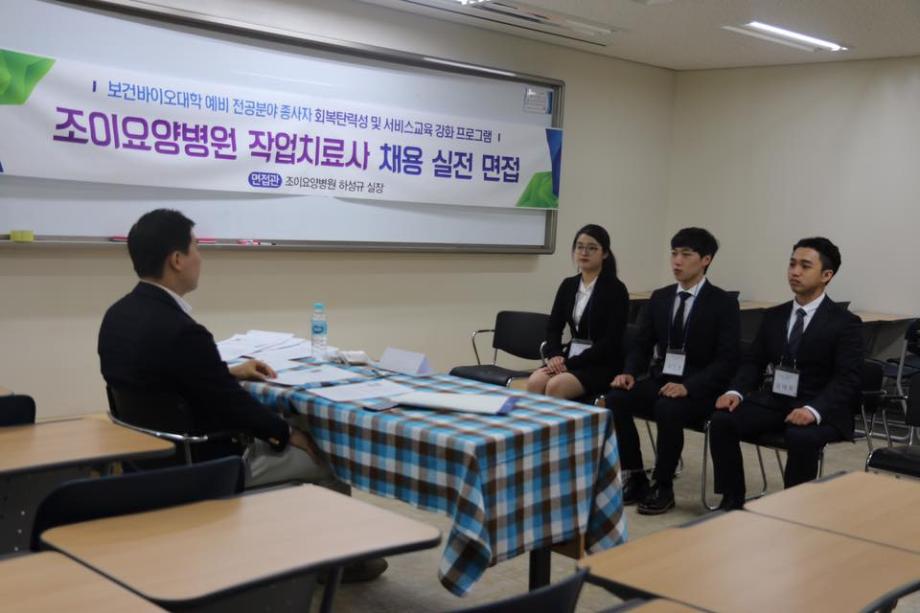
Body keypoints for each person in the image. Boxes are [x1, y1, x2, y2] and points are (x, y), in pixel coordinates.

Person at [98, 209, 330, 485]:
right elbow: (232, 404)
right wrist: (288, 433)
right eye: (196, 247)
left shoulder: (115, 317)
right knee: (326, 461)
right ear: (177, 260)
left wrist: (229, 372)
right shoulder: (183, 332)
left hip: (145, 461)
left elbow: (159, 379)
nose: (200, 257)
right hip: (202, 464)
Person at [710, 237, 863, 510]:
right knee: (722, 420)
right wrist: (735, 391)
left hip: (821, 407)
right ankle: (732, 499)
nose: (795, 272)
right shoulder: (775, 316)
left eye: (805, 266)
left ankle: (793, 508)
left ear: (826, 275)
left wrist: (814, 410)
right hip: (778, 400)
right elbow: (753, 362)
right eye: (792, 264)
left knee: (801, 436)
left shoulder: (845, 323)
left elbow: (847, 378)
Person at [607, 227, 740, 515]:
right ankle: (635, 475)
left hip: (701, 388)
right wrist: (629, 372)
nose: (677, 261)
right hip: (663, 379)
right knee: (616, 398)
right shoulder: (661, 297)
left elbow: (727, 360)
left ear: (705, 260)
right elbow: (642, 344)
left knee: (669, 407)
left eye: (686, 255)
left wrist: (689, 387)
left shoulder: (723, 303)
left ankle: (663, 485)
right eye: (674, 254)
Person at [526, 224, 629, 400]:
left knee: (556, 386)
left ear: (604, 253)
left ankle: (561, 420)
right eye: (580, 247)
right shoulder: (568, 285)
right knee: (535, 381)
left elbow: (610, 341)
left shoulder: (616, 289)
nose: (584, 253)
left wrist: (569, 363)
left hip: (601, 363)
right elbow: (553, 327)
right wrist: (555, 355)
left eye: (592, 248)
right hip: (571, 358)